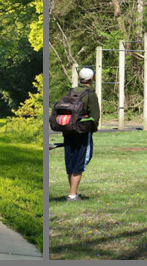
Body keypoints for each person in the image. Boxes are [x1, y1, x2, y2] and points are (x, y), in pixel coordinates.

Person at [64, 68, 100, 201]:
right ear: (92, 79)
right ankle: (72, 195)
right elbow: (95, 117)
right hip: (82, 132)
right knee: (80, 162)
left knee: (71, 162)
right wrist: (93, 130)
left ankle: (72, 192)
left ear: (79, 77)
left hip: (68, 131)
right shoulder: (91, 94)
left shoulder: (71, 91)